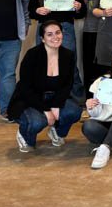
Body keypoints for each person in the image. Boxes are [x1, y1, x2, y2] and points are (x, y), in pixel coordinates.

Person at [6, 21, 82, 152]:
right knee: (38, 122)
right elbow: (25, 88)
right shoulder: (32, 55)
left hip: (54, 97)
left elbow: (67, 85)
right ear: (42, 38)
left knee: (74, 112)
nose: (55, 37)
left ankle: (56, 131)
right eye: (50, 34)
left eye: (58, 33)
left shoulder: (68, 55)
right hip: (30, 99)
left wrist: (56, 105)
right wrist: (46, 110)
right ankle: (25, 136)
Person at [28, 0, 86, 102]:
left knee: (69, 61)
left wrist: (79, 7)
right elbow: (30, 12)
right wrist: (37, 11)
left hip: (65, 29)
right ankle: (44, 97)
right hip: (45, 28)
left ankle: (77, 99)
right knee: (43, 62)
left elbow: (82, 13)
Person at [80, 0, 112, 96]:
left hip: (109, 28)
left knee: (106, 64)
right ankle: (89, 98)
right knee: (89, 64)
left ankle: (107, 98)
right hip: (90, 27)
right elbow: (79, 5)